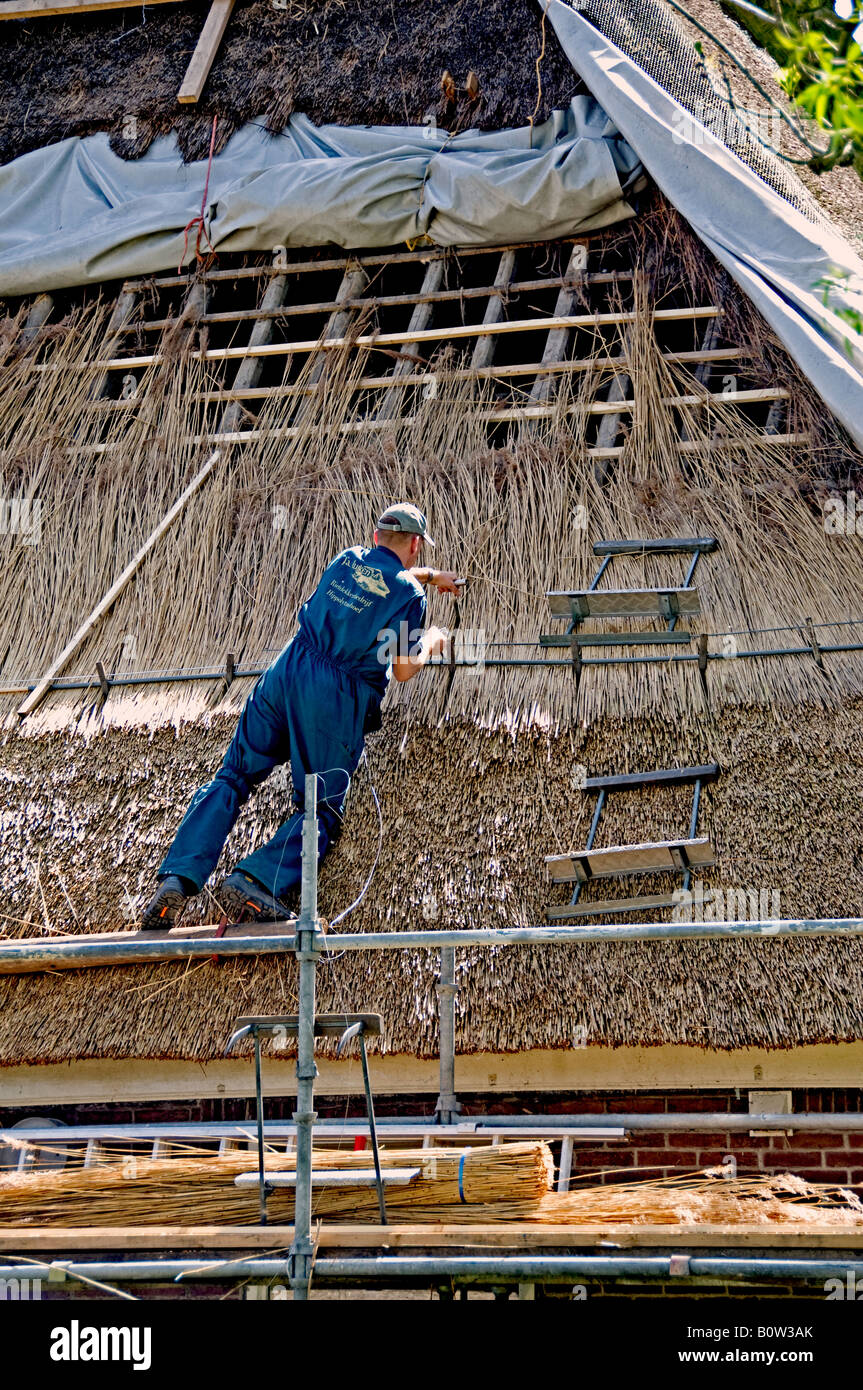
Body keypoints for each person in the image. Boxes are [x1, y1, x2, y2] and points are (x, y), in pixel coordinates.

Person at [141, 503, 461, 929]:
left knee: (233, 777)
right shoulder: (409, 596)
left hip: (285, 672)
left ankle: (178, 879)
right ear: (416, 544)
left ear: (375, 536)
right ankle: (255, 878)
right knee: (321, 808)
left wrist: (431, 575)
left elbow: (380, 576)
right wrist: (434, 640)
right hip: (332, 697)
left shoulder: (346, 558)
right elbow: (402, 668)